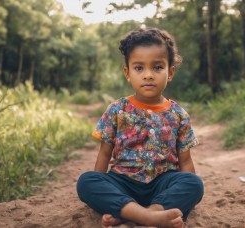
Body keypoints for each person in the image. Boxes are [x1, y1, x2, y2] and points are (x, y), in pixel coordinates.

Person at [76, 27, 204, 228]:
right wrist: (102, 190)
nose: (148, 75)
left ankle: (142, 213)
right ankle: (147, 216)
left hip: (163, 182)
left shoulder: (179, 114)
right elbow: (104, 155)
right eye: (139, 68)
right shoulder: (116, 110)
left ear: (170, 72)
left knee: (194, 184)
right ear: (127, 73)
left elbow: (186, 162)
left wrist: (189, 195)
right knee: (86, 181)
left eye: (157, 67)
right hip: (123, 183)